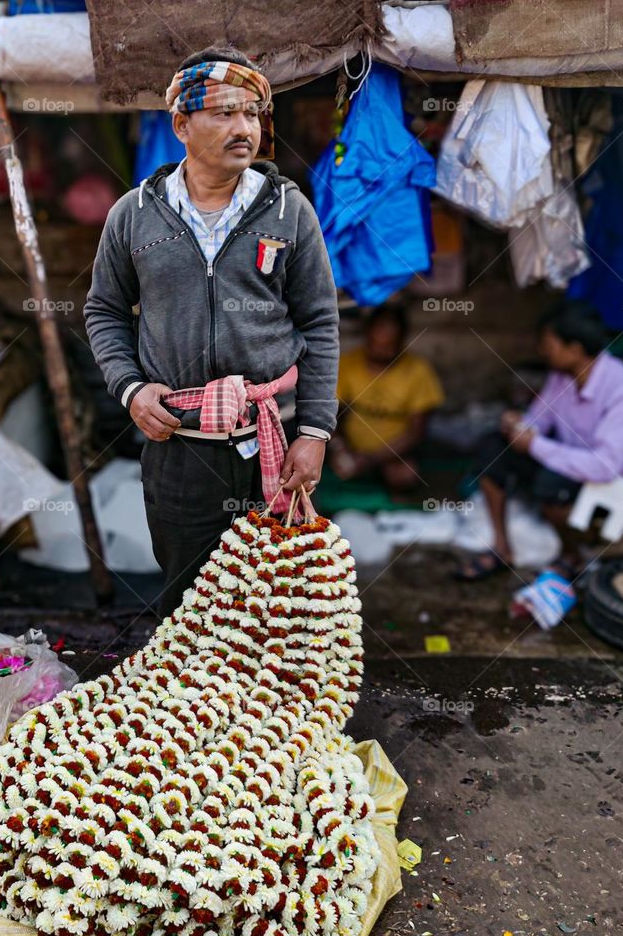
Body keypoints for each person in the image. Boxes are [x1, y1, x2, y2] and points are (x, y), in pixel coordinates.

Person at [84, 46, 339, 615]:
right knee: (189, 602)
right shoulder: (134, 215)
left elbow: (320, 322)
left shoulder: (288, 211)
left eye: (251, 113)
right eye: (224, 113)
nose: (243, 127)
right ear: (181, 124)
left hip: (273, 435)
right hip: (180, 442)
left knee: (276, 599)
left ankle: (264, 703)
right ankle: (193, 702)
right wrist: (131, 388)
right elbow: (103, 310)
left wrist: (317, 431)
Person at [457, 300, 623, 580]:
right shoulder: (563, 376)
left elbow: (604, 467)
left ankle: (572, 555)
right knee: (493, 448)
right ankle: (502, 548)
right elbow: (540, 418)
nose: (542, 351)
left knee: (551, 483)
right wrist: (519, 426)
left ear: (574, 350)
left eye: (549, 344)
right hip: (570, 460)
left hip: (617, 481)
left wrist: (535, 444)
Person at [330, 304, 443, 492]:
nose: (381, 351)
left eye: (388, 346)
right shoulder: (349, 363)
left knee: (405, 475)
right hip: (351, 451)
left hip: (395, 454)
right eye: (376, 345)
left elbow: (417, 432)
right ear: (367, 337)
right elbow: (329, 413)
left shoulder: (418, 371)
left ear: (401, 342)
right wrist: (338, 448)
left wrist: (371, 459)